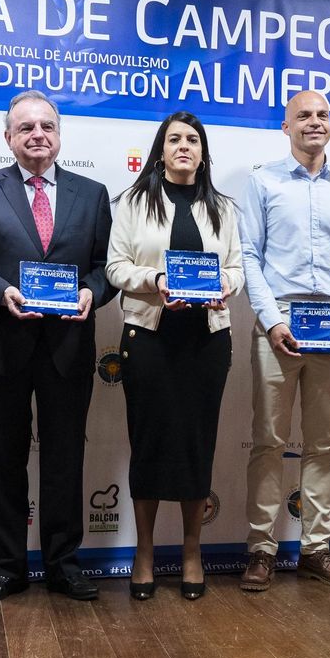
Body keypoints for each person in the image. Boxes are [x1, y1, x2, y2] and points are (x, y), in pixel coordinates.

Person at [0, 90, 116, 602]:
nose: (37, 134)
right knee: (3, 459)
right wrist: (2, 293)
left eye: (46, 126)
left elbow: (104, 267)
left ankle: (64, 563)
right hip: (3, 345)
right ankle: (8, 566)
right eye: (26, 128)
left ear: (59, 135)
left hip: (67, 349)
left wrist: (92, 291)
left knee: (65, 459)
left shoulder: (92, 193)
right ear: (9, 138)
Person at [237, 90, 330, 590]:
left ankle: (316, 547)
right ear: (286, 126)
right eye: (303, 116)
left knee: (323, 444)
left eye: (322, 115)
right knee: (269, 443)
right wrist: (272, 320)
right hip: (280, 323)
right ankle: (261, 549)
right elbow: (249, 255)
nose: (314, 123)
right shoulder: (263, 181)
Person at [106, 112, 243, 600]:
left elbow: (236, 267)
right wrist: (157, 282)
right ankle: (144, 552)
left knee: (196, 445)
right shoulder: (133, 201)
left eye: (192, 140)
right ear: (160, 150)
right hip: (150, 338)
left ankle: (190, 551)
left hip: (206, 340)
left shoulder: (223, 208)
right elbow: (116, 267)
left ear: (202, 151)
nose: (183, 146)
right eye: (174, 140)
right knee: (148, 442)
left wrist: (222, 287)